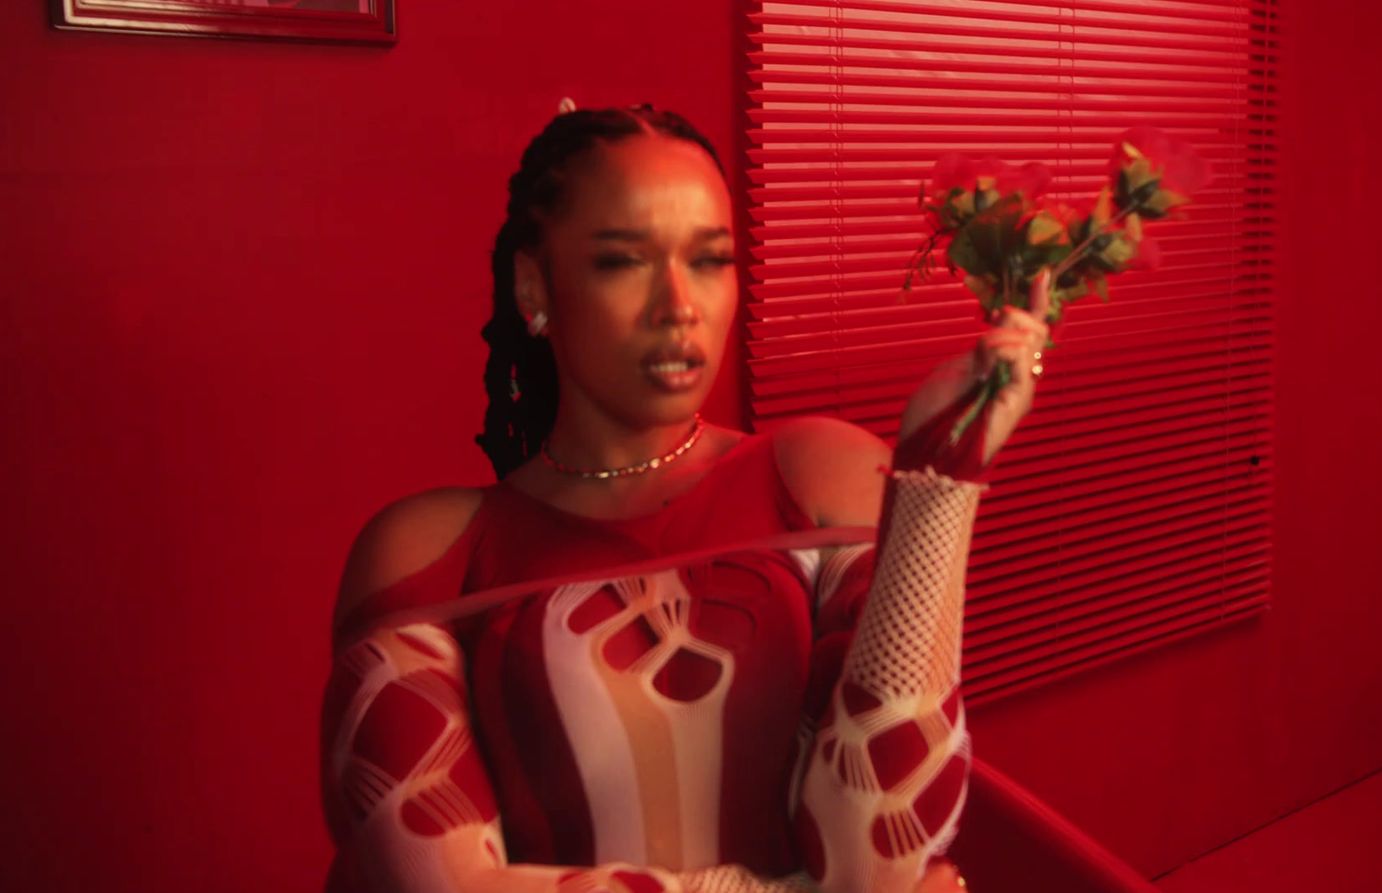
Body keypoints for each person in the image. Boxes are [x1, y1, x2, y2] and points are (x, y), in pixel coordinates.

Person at [319, 102, 1049, 893]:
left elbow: (881, 855)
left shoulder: (817, 475)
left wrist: (938, 486)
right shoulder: (428, 552)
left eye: (709, 259)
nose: (680, 307)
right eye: (623, 260)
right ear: (535, 284)